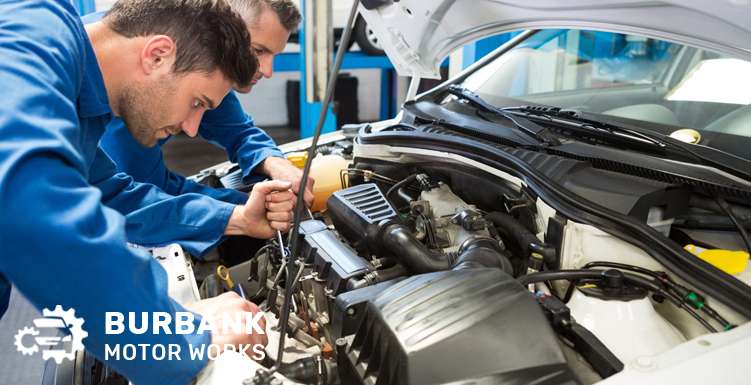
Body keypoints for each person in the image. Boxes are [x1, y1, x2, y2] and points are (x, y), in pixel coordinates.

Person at [0, 1, 292, 384]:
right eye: (197, 103)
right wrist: (183, 338)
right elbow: (35, 212)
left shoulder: (81, 98)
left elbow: (113, 195)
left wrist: (235, 218)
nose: (192, 128)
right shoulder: (29, 41)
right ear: (157, 54)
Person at [96, 0, 314, 210]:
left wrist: (274, 162)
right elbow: (141, 195)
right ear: (221, 27)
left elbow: (238, 131)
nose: (267, 70)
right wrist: (244, 206)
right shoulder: (132, 81)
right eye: (258, 50)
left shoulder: (203, 75)